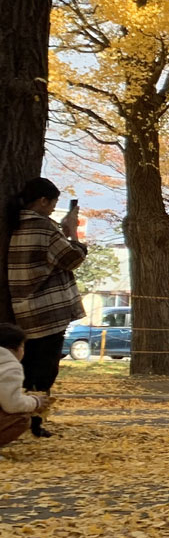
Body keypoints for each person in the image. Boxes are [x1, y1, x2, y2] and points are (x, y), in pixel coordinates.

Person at [7, 177, 86, 439]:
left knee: (26, 366)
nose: (53, 208)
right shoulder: (43, 227)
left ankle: (21, 420)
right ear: (42, 200)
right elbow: (71, 257)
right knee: (45, 370)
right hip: (47, 310)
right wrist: (72, 231)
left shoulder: (18, 223)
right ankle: (35, 422)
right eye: (53, 203)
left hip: (23, 308)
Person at [0, 323, 53, 451]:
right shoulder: (9, 366)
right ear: (15, 349)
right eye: (23, 347)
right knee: (21, 418)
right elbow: (12, 405)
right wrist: (36, 402)